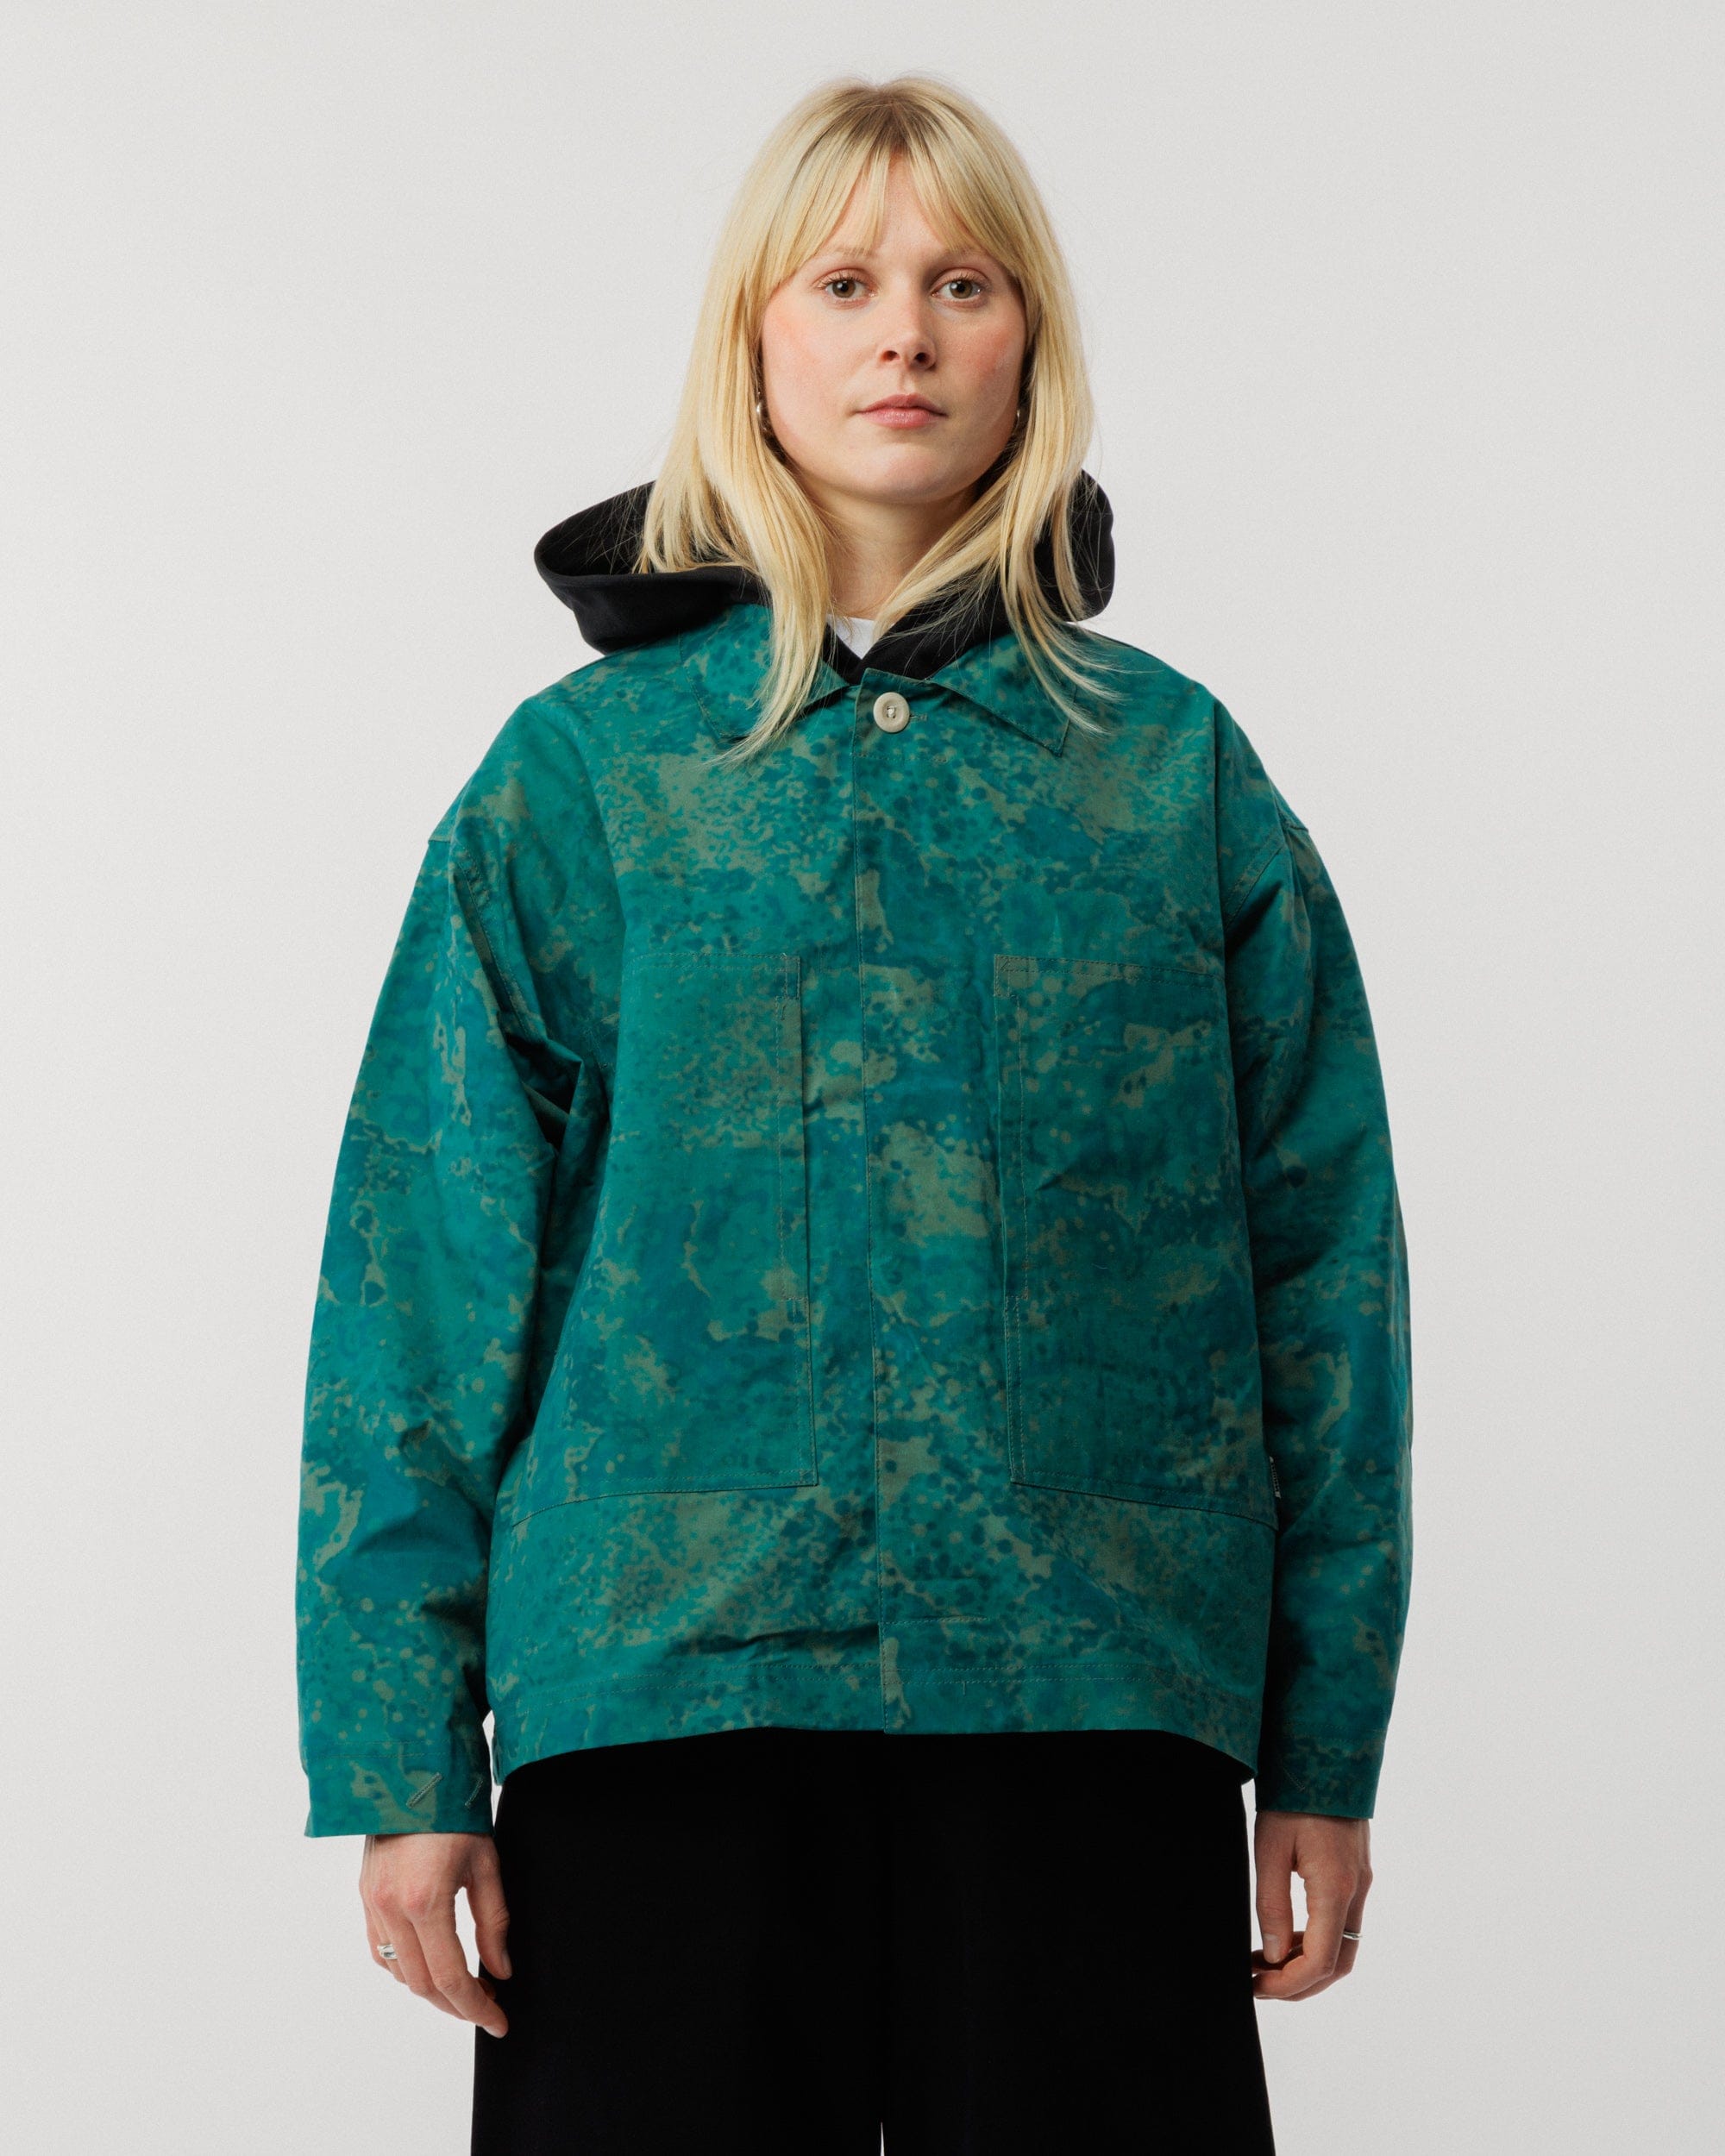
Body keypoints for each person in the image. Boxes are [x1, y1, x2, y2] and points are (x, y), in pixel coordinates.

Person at [295, 73, 1412, 2156]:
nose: (903, 330)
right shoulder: (583, 782)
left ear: (1029, 344)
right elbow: (422, 1270)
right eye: (842, 283)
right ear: (753, 340)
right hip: (660, 1696)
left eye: (962, 283)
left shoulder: (1169, 772)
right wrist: (401, 1752)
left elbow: (1320, 1266)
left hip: (1089, 1687)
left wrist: (1322, 1743)